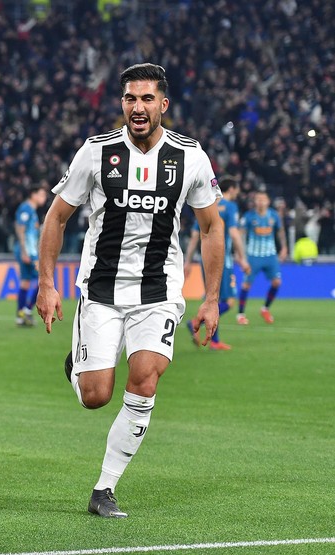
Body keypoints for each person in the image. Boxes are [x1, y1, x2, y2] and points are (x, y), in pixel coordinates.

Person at [36, 63, 224, 518]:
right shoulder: (97, 152)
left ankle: (104, 489)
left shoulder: (191, 157)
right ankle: (79, 368)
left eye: (146, 99)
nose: (137, 108)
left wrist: (212, 298)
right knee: (97, 396)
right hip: (101, 291)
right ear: (121, 104)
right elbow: (56, 217)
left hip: (159, 292)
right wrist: (47, 284)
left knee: (145, 380)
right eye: (129, 99)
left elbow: (212, 225)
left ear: (163, 104)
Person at [183, 177, 250, 350]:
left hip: (205, 261)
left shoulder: (206, 206)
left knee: (213, 299)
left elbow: (194, 237)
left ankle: (214, 341)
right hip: (222, 261)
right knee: (228, 302)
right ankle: (196, 322)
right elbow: (234, 234)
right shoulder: (231, 207)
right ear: (233, 189)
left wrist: (188, 261)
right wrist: (242, 258)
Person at [236, 190, 288, 325]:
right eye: (258, 199)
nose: (260, 202)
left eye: (263, 199)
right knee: (246, 285)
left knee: (277, 282)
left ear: (268, 201)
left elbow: (280, 231)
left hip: (270, 255)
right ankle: (240, 314)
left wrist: (284, 247)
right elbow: (240, 235)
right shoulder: (249, 216)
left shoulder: (274, 215)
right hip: (253, 256)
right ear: (255, 202)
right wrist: (240, 255)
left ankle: (265, 309)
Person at [13, 185, 48, 326]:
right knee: (44, 279)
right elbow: (19, 228)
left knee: (26, 282)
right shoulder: (26, 209)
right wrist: (24, 251)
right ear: (33, 195)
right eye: (41, 195)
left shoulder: (33, 211)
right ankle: (27, 310)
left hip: (30, 251)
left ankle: (21, 315)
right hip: (28, 252)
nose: (44, 198)